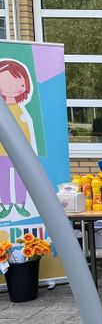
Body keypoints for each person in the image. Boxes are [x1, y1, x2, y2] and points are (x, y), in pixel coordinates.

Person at [0, 59, 37, 219]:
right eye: (6, 83)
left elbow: (28, 131)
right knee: (4, 180)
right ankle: (6, 205)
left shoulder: (22, 110)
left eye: (18, 83)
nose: (11, 88)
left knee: (22, 179)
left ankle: (21, 205)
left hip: (24, 154)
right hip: (2, 153)